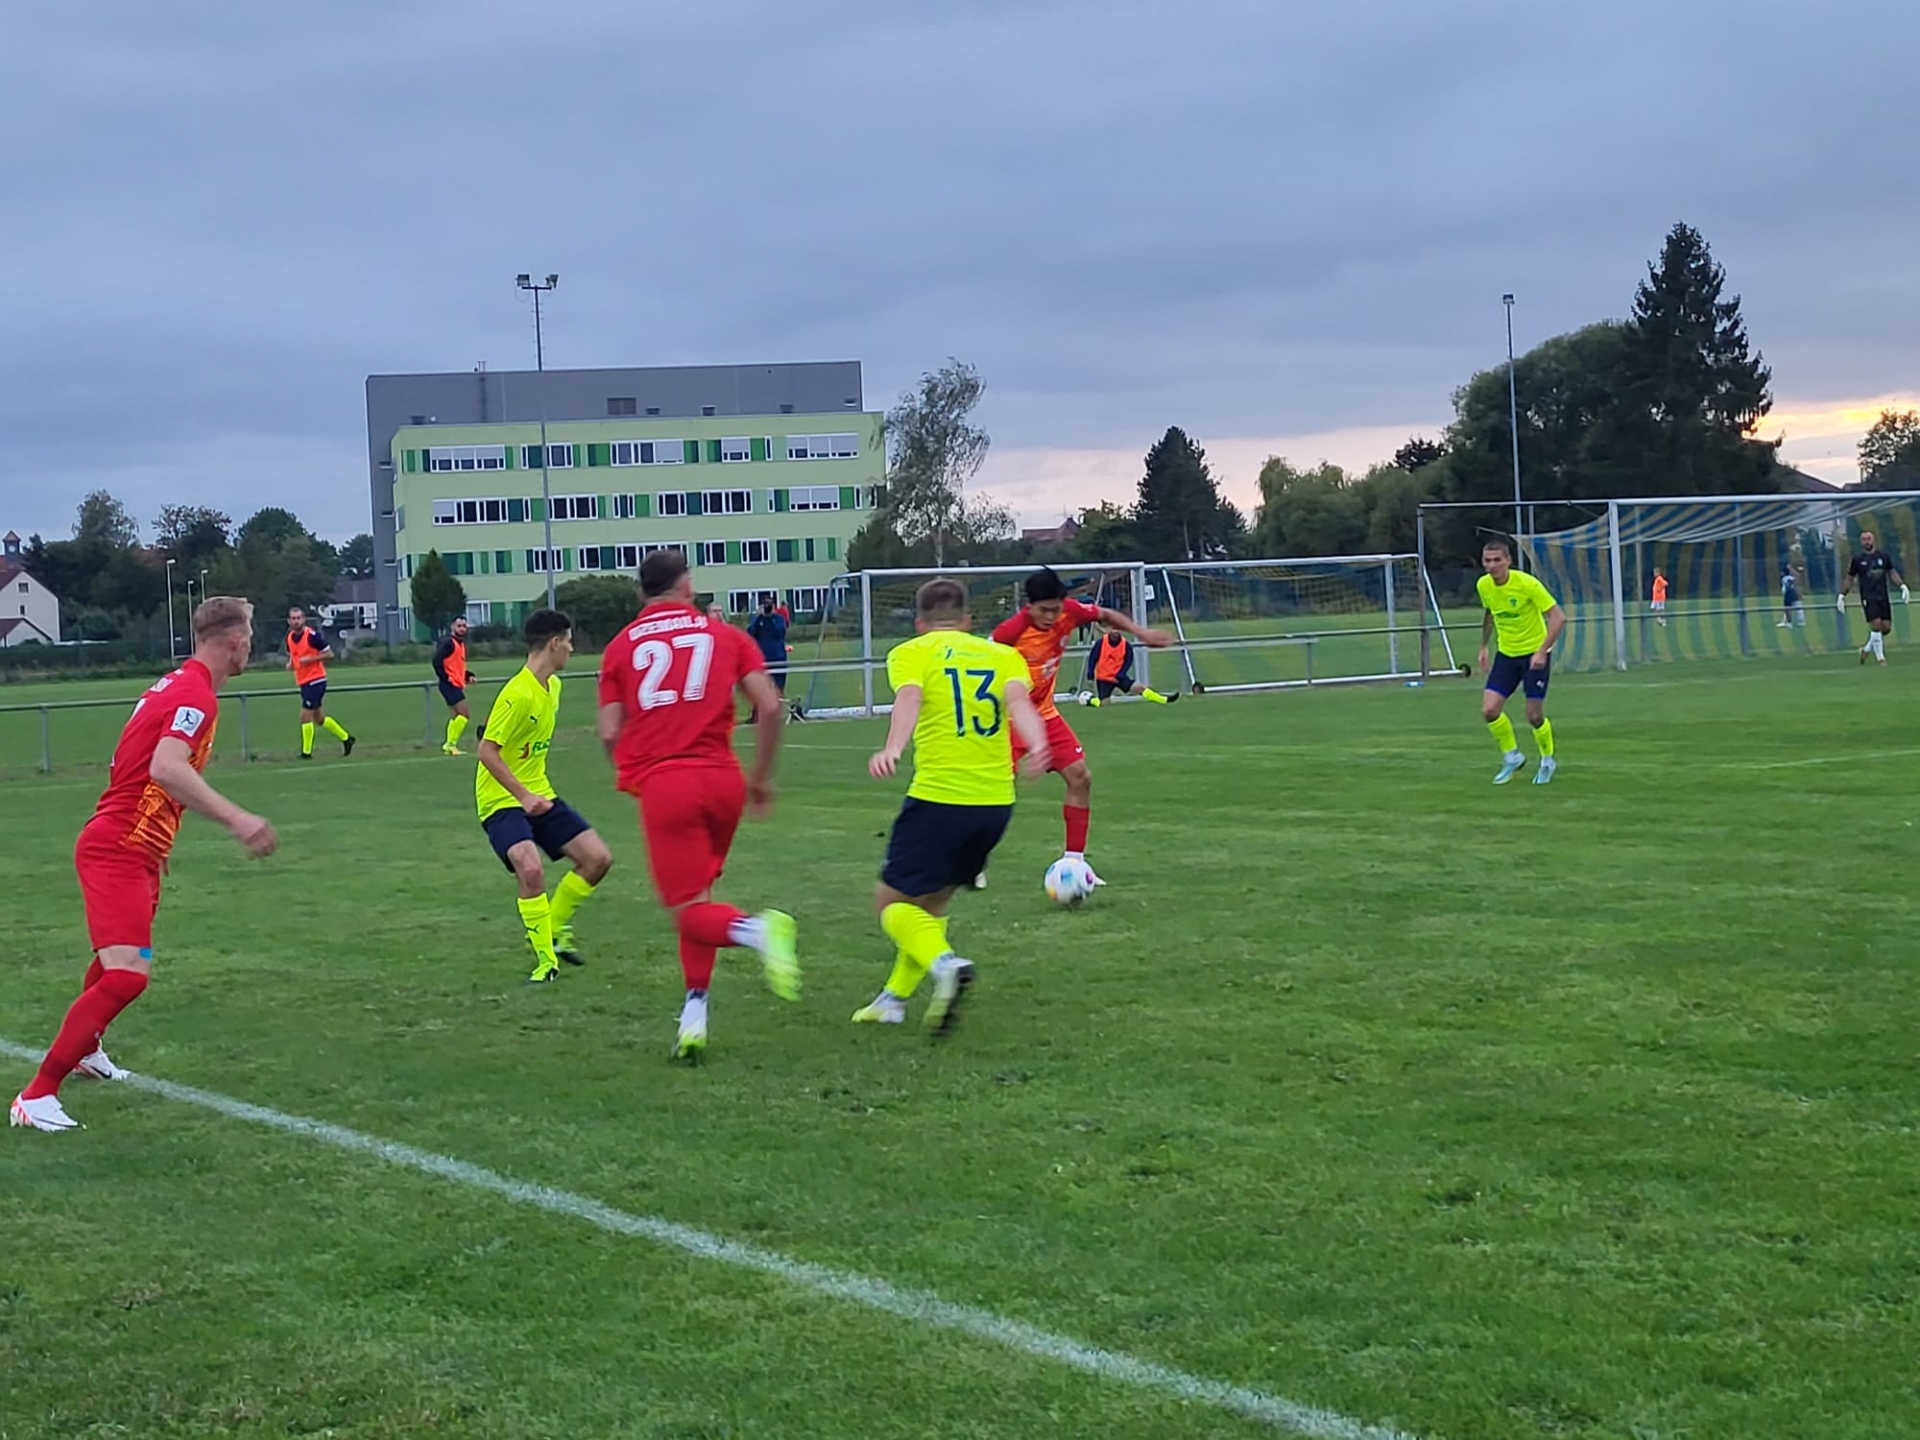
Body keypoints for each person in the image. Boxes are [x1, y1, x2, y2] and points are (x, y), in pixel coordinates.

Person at [12, 597, 278, 1134]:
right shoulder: (195, 695)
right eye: (250, 635)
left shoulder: (176, 685)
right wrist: (237, 819)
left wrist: (156, 838)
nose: (251, 645)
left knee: (115, 965)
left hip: (135, 847)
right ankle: (36, 1095)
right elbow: (166, 767)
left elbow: (139, 766)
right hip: (118, 848)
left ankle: (88, 1052)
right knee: (127, 976)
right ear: (234, 640)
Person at [598, 550, 799, 1060]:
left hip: (669, 784)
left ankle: (758, 931)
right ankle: (694, 1015)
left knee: (687, 913)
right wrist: (761, 778)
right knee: (699, 898)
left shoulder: (621, 646)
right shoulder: (725, 635)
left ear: (642, 593)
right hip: (723, 779)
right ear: (686, 586)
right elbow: (769, 705)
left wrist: (633, 770)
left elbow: (609, 731)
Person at [856, 579, 1049, 1034]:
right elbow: (1019, 703)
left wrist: (893, 747)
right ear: (966, 620)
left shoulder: (911, 652)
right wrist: (1039, 746)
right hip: (995, 803)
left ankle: (945, 965)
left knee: (890, 903)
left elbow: (910, 696)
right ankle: (893, 1000)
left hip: (940, 797)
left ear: (920, 623)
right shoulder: (1001, 655)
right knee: (932, 904)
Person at [988, 567, 1173, 887]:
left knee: (1080, 777)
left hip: (1045, 715)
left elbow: (1105, 615)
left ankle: (1075, 862)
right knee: (993, 794)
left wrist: (1141, 634)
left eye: (1055, 609)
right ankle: (969, 860)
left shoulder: (1070, 612)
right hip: (1008, 720)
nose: (1051, 616)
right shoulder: (1009, 632)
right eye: (1044, 610)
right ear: (1029, 606)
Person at [476, 609, 613, 984]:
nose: (571, 649)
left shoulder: (553, 687)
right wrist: (522, 795)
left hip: (540, 793)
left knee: (598, 859)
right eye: (568, 642)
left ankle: (552, 927)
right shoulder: (517, 694)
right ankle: (544, 961)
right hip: (501, 799)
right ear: (554, 643)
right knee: (530, 867)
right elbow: (486, 751)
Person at [1476, 537, 1567, 786]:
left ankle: (1547, 760)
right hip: (1506, 655)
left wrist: (1542, 651)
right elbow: (1490, 613)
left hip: (1533, 655)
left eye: (1497, 560)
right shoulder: (1484, 585)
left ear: (1508, 561)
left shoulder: (1527, 584)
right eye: (1487, 560)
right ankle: (1512, 756)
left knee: (1533, 715)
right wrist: (1483, 646)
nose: (1492, 565)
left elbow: (1558, 617)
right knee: (1489, 710)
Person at [286, 606, 355, 760]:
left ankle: (306, 753)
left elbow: (329, 654)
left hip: (316, 680)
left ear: (303, 619)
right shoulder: (290, 638)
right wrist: (291, 664)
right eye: (293, 618)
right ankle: (346, 738)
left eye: (299, 618)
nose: (296, 621)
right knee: (319, 718)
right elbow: (294, 656)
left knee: (305, 716)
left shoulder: (312, 636)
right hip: (303, 681)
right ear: (289, 621)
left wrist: (310, 659)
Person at [1839, 530, 1908, 665]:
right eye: (1864, 539)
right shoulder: (1857, 560)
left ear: (1873, 540)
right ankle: (1881, 658)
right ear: (1861, 542)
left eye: (1869, 538)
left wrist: (1902, 586)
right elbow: (1850, 578)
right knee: (1876, 624)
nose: (1867, 541)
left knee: (1885, 628)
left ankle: (1866, 649)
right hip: (1868, 597)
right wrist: (1842, 594)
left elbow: (1892, 572)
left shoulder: (1883, 557)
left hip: (1883, 596)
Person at [1080, 622, 1180, 707]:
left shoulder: (1126, 645)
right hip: (1104, 678)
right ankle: (1091, 700)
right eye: (1113, 629)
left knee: (1139, 688)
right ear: (1109, 630)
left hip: (1119, 676)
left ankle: (1164, 700)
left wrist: (1121, 674)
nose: (1115, 632)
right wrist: (1090, 676)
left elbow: (1128, 661)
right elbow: (1092, 659)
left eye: (1118, 629)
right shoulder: (1101, 643)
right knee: (1104, 704)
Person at [434, 616, 478, 754]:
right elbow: (437, 661)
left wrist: (467, 675)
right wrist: (446, 677)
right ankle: (450, 744)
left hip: (453, 684)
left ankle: (449, 746)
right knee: (464, 714)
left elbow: (455, 666)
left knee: (456, 716)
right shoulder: (448, 642)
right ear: (452, 627)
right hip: (449, 684)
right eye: (459, 626)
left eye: (464, 626)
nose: (462, 629)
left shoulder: (460, 644)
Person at [1779, 564, 1805, 628]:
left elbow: (1790, 583)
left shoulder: (1785, 578)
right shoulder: (1790, 577)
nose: (1780, 573)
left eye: (1782, 572)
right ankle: (1800, 622)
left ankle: (1789, 623)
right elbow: (1797, 577)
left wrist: (1791, 568)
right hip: (1794, 593)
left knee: (1787, 609)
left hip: (1789, 594)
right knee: (1798, 608)